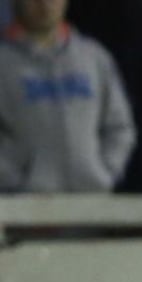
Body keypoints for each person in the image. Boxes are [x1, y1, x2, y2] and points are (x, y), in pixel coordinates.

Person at [0, 0, 135, 193]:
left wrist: (105, 172)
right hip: (24, 209)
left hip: (91, 204)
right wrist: (14, 180)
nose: (45, 5)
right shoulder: (3, 62)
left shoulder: (94, 58)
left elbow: (120, 126)